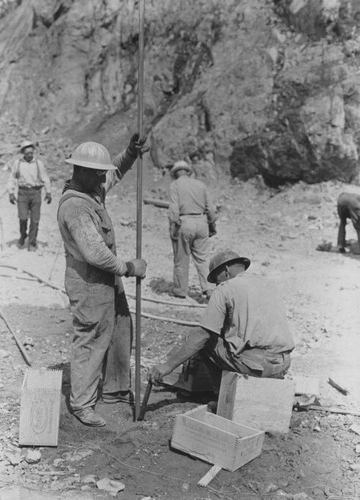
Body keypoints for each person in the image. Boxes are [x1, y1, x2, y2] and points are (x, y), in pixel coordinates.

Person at [57, 135, 147, 427]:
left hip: (105, 280)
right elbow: (94, 253)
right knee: (91, 340)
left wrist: (131, 153)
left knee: (119, 328)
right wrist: (129, 267)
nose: (103, 177)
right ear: (81, 171)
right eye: (98, 173)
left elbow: (116, 172)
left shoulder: (91, 191)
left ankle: (113, 390)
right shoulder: (75, 206)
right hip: (89, 282)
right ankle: (82, 404)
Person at [148, 250, 295, 391]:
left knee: (205, 341)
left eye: (216, 280)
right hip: (282, 365)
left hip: (258, 367)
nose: (216, 285)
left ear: (226, 271)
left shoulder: (225, 288)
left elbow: (202, 336)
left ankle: (222, 398)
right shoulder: (267, 284)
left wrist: (167, 366)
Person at [168, 160, 217, 300]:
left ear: (176, 173)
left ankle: (180, 291)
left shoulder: (175, 185)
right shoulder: (201, 185)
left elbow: (174, 209)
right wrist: (212, 226)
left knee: (181, 258)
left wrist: (174, 226)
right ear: (188, 171)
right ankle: (209, 289)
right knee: (203, 259)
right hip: (202, 223)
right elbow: (211, 209)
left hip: (185, 222)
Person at [7, 140, 52, 251]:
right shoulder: (18, 163)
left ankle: (32, 243)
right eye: (27, 153)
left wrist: (49, 192)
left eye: (31, 153)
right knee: (22, 218)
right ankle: (23, 235)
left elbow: (45, 178)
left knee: (35, 220)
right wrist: (11, 193)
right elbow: (12, 178)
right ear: (23, 153)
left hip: (36, 193)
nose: (30, 155)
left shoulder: (38, 164)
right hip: (22, 193)